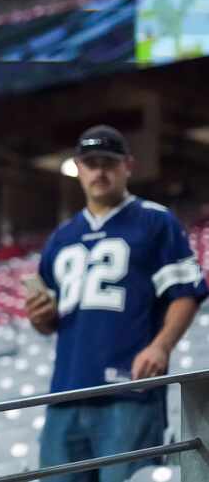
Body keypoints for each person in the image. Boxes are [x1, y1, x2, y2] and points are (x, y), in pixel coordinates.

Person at [25, 125, 207, 482]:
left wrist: (161, 346)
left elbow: (185, 292)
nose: (100, 171)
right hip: (66, 393)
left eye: (108, 162)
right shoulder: (62, 237)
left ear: (128, 166)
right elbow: (47, 320)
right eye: (91, 163)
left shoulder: (155, 221)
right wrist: (39, 318)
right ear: (78, 168)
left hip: (129, 391)